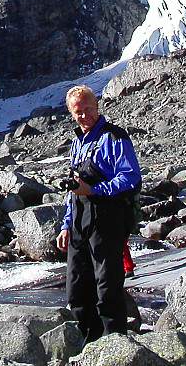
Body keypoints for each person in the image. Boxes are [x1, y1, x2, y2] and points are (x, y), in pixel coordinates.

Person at [55, 84, 142, 343]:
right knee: (78, 290)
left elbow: (131, 179)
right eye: (78, 111)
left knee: (107, 287)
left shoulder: (115, 137)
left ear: (97, 106)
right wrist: (65, 225)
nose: (84, 115)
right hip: (80, 222)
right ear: (71, 113)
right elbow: (74, 191)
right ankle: (90, 345)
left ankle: (115, 345)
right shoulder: (76, 143)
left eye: (88, 109)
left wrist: (94, 190)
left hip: (108, 218)